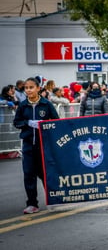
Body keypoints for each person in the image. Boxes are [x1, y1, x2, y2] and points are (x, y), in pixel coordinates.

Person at [13, 77, 60, 214]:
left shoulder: (46, 104)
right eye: (26, 88)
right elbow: (16, 122)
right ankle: (32, 203)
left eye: (31, 87)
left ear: (38, 88)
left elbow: (56, 122)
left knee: (46, 174)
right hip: (28, 145)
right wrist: (28, 123)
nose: (28, 90)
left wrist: (44, 126)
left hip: (44, 146)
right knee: (29, 174)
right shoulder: (22, 105)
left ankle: (54, 200)